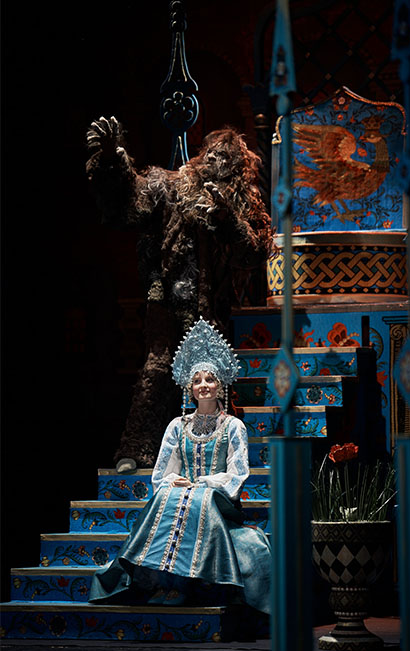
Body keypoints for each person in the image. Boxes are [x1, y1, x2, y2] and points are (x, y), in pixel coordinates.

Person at [86, 117, 273, 473]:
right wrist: (113, 159)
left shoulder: (240, 202)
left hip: (209, 306)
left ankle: (214, 453)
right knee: (156, 369)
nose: (215, 160)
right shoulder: (174, 185)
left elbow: (254, 251)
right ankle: (136, 448)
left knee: (208, 378)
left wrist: (227, 220)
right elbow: (132, 201)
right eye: (212, 153)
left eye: (225, 157)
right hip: (167, 297)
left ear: (236, 168)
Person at [89, 317, 271, 615]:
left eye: (209, 379)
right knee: (168, 494)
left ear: (220, 384)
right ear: (189, 387)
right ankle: (164, 581)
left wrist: (201, 483)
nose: (203, 386)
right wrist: (174, 482)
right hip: (182, 498)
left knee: (199, 497)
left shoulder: (233, 426)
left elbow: (237, 475)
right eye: (197, 380)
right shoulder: (177, 426)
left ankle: (182, 584)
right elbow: (161, 474)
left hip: (218, 501)